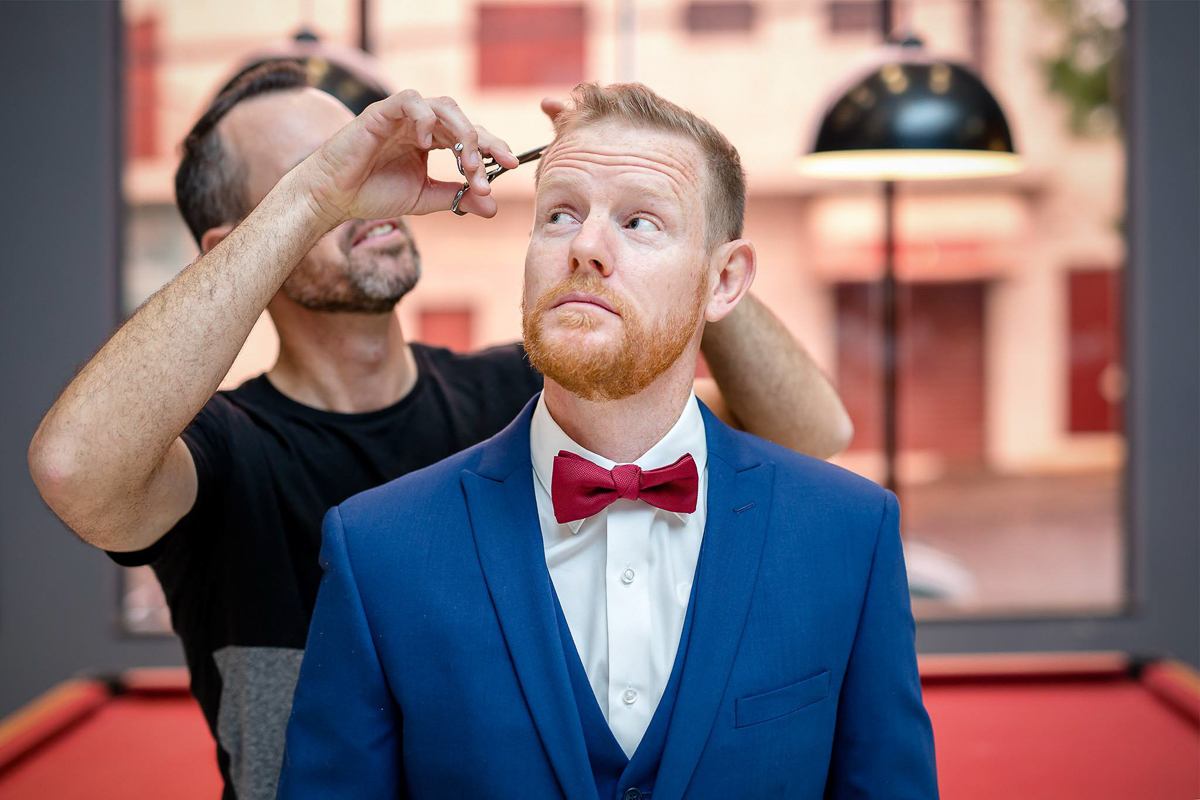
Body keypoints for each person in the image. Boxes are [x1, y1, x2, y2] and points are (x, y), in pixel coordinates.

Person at [25, 64, 853, 800]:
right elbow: (71, 467)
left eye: (358, 152)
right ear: (239, 242)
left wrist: (653, 201)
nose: (359, 180)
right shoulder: (219, 453)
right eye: (315, 171)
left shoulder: (520, 399)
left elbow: (808, 435)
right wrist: (316, 196)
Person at [276, 82, 937, 799]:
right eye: (559, 214)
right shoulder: (377, 550)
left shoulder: (850, 533)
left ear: (724, 282)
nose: (585, 246)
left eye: (640, 221)